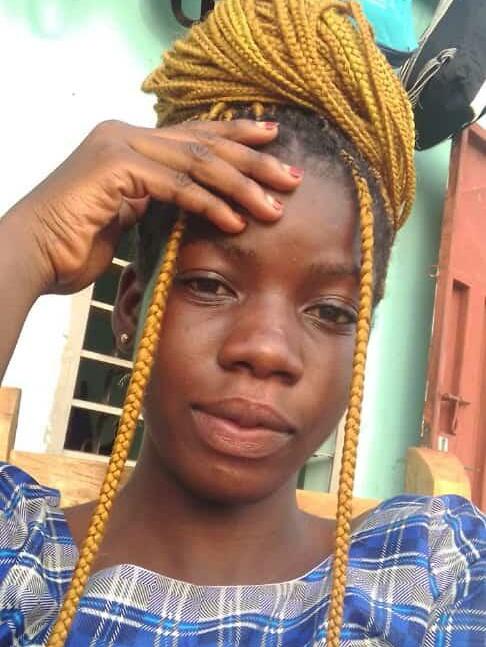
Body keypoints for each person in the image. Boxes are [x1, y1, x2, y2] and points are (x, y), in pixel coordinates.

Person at [0, 1, 484, 645]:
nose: (266, 350)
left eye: (331, 311)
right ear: (131, 308)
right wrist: (27, 242)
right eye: (210, 285)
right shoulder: (21, 566)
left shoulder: (431, 576)